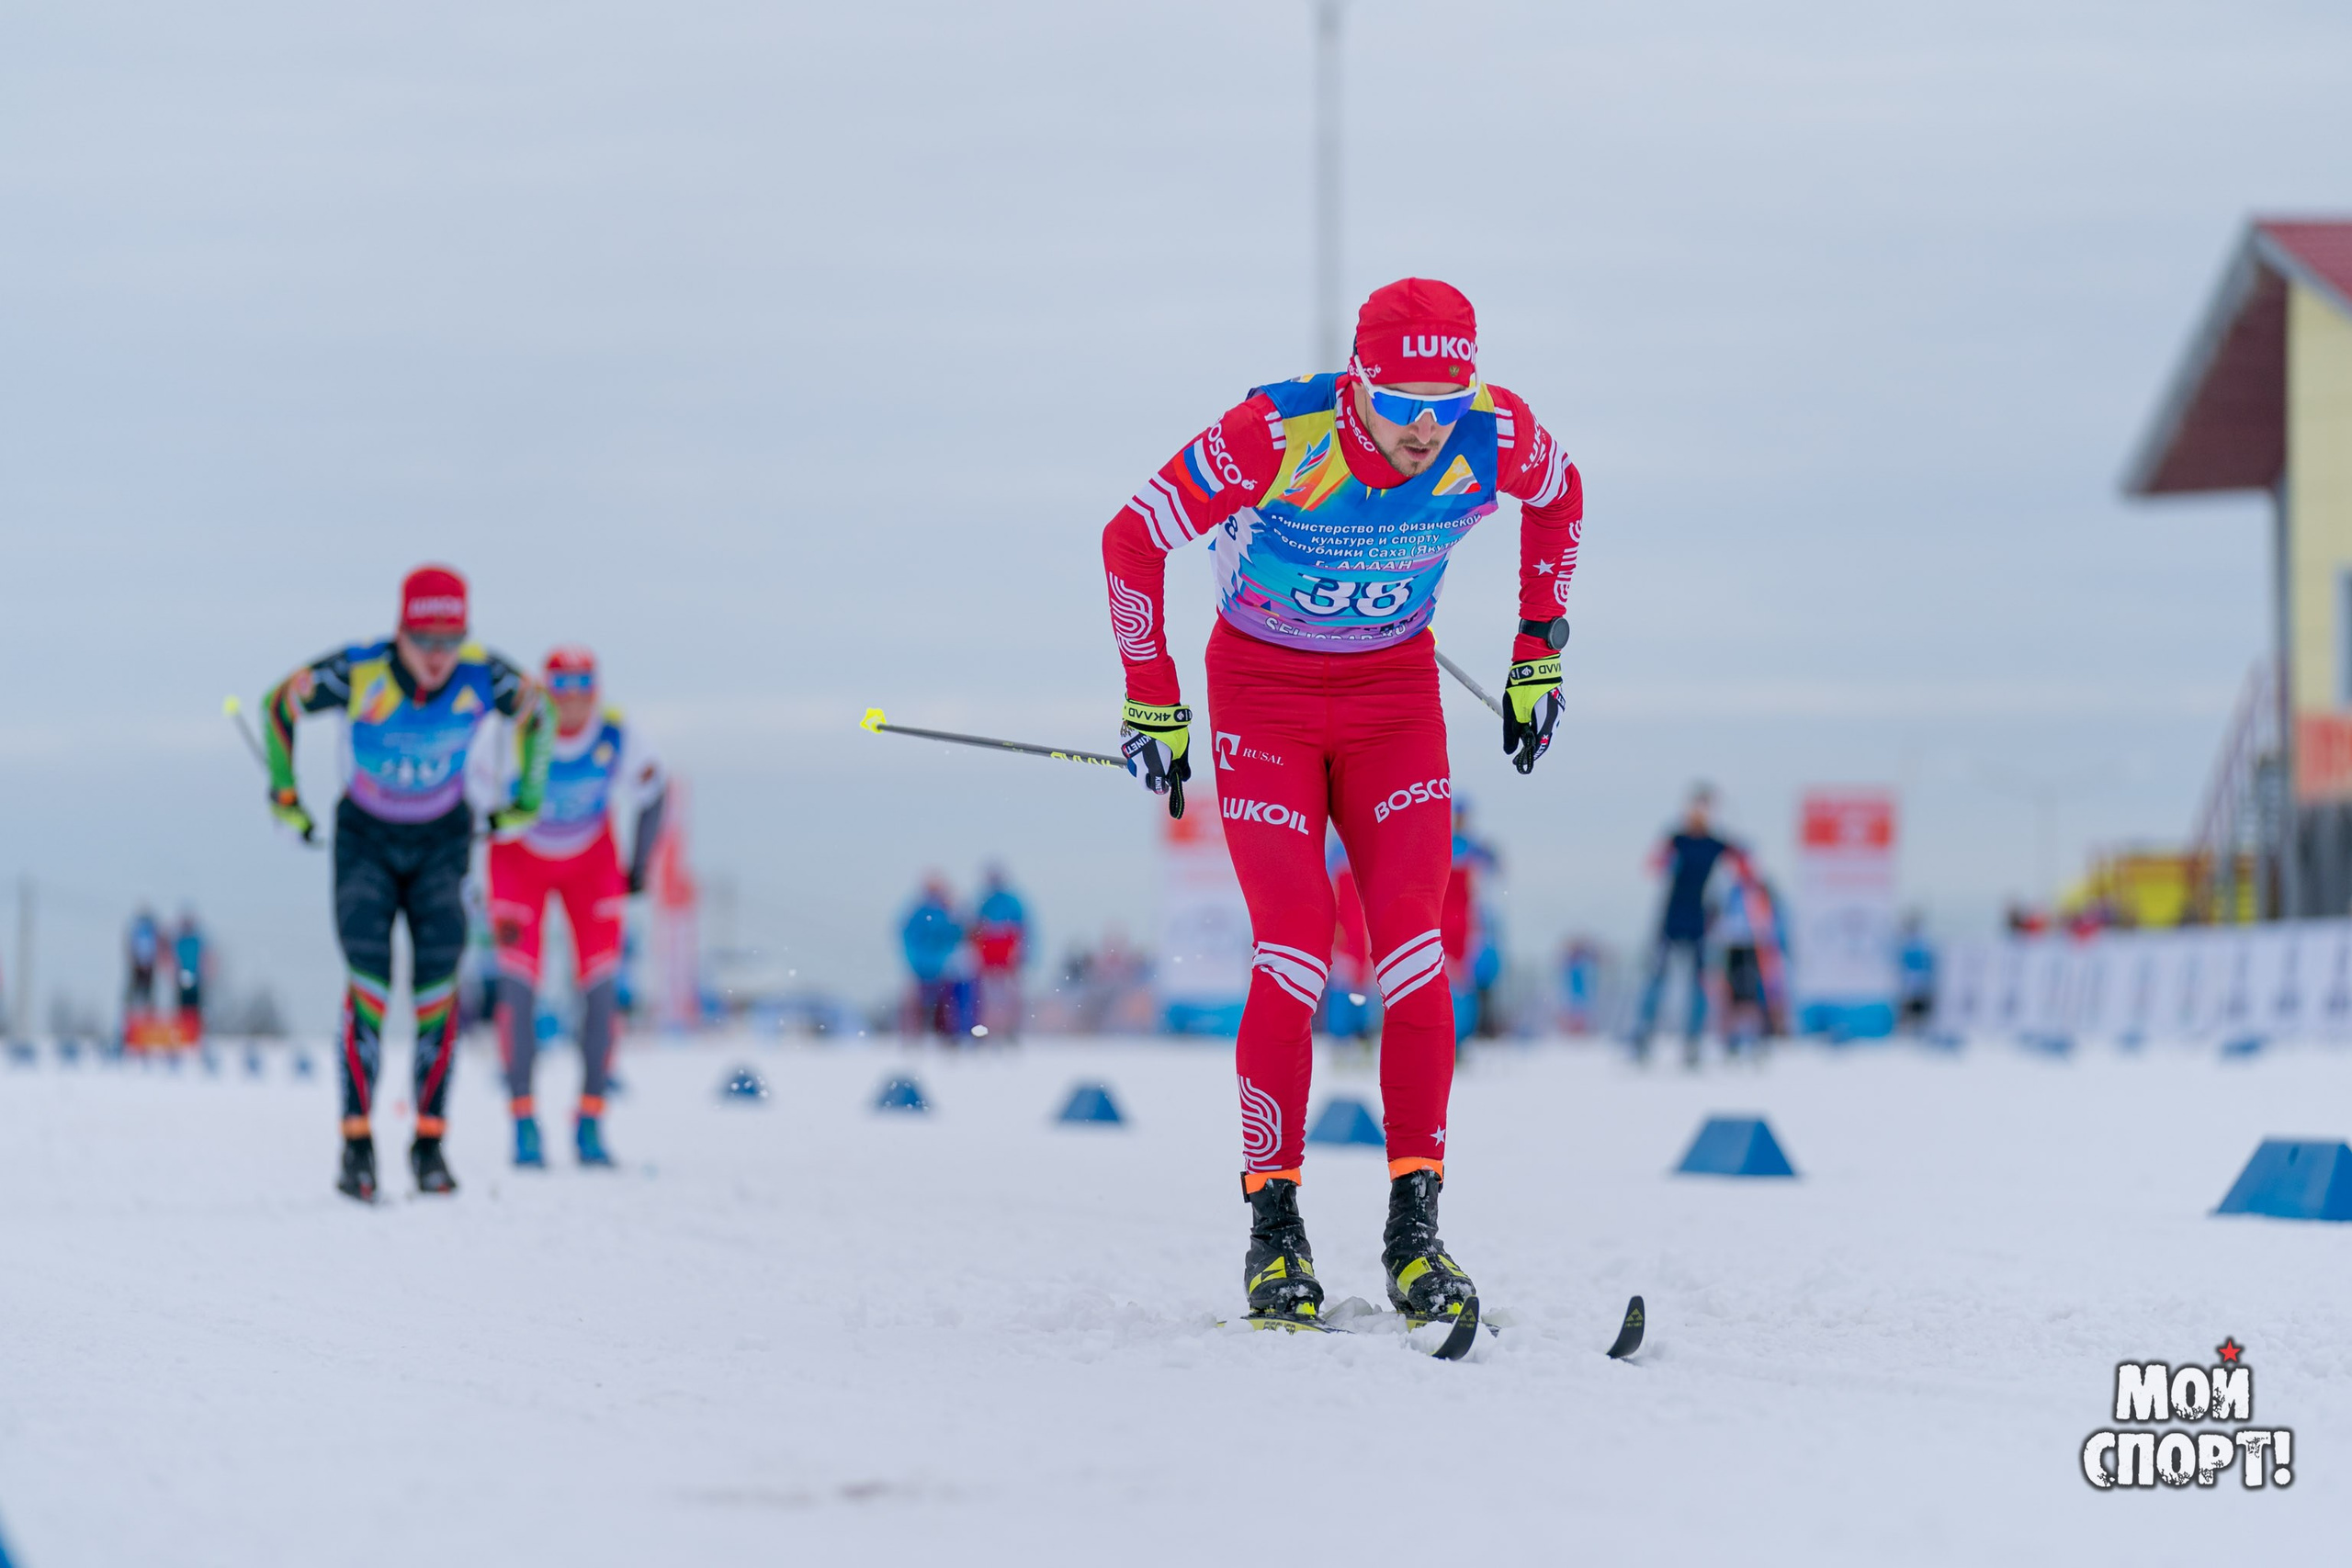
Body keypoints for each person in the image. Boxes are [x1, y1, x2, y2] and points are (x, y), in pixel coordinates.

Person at [1100, 276, 1584, 1327]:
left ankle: (1417, 1234)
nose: (1423, 429)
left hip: (1391, 699)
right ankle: (1274, 1235)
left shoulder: (1494, 433)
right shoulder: (1274, 435)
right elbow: (1131, 539)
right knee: (1295, 949)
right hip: (1263, 698)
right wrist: (1154, 701)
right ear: (1357, 381)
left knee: (1414, 949)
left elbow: (1563, 500)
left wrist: (1537, 656)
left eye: (1443, 405)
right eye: (1402, 402)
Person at [262, 564, 548, 1201]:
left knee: (435, 994)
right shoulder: (360, 670)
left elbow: (539, 709)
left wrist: (526, 797)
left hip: (443, 841)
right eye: (426, 641)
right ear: (401, 632)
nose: (439, 658)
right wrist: (285, 796)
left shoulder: (483, 676)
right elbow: (279, 704)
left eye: (452, 640)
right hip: (364, 840)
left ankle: (429, 1146)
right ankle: (357, 1148)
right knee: (369, 987)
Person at [487, 647, 666, 1169]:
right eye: (560, 698)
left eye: (581, 698)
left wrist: (639, 863)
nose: (570, 712)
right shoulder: (516, 730)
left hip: (591, 861)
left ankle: (590, 1120)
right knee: (518, 988)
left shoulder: (616, 733)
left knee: (602, 990)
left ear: (595, 695)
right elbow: (474, 798)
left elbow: (655, 790)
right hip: (519, 859)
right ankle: (523, 1122)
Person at [1632, 784, 1735, 1066]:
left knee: (1698, 985)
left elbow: (1743, 868)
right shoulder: (1676, 839)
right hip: (1671, 918)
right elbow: (1653, 865)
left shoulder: (1717, 843)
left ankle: (1692, 1042)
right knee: (1656, 981)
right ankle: (1642, 1038)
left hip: (1701, 920)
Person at [969, 865, 1030, 1041]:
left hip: (1007, 959)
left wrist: (1020, 954)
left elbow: (1023, 931)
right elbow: (975, 931)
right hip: (989, 959)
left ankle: (1009, 1031)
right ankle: (986, 1032)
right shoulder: (984, 902)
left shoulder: (1011, 903)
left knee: (1008, 996)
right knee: (987, 998)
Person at [899, 877, 965, 1039]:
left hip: (940, 967)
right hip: (924, 966)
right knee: (919, 1005)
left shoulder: (945, 913)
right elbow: (910, 938)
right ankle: (915, 1035)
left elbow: (957, 935)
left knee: (944, 1005)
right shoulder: (920, 913)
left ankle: (944, 1034)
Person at [172, 908, 206, 1036]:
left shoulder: (197, 940)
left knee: (195, 1009)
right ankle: (183, 1033)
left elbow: (203, 958)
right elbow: (175, 959)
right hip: (182, 978)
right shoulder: (179, 940)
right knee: (182, 1009)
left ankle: (195, 1034)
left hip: (195, 979)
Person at [125, 908, 161, 1017]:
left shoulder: (152, 932)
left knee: (148, 995)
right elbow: (132, 948)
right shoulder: (137, 931)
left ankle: (147, 1017)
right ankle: (132, 1016)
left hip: (148, 967)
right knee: (134, 995)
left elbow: (156, 949)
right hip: (138, 967)